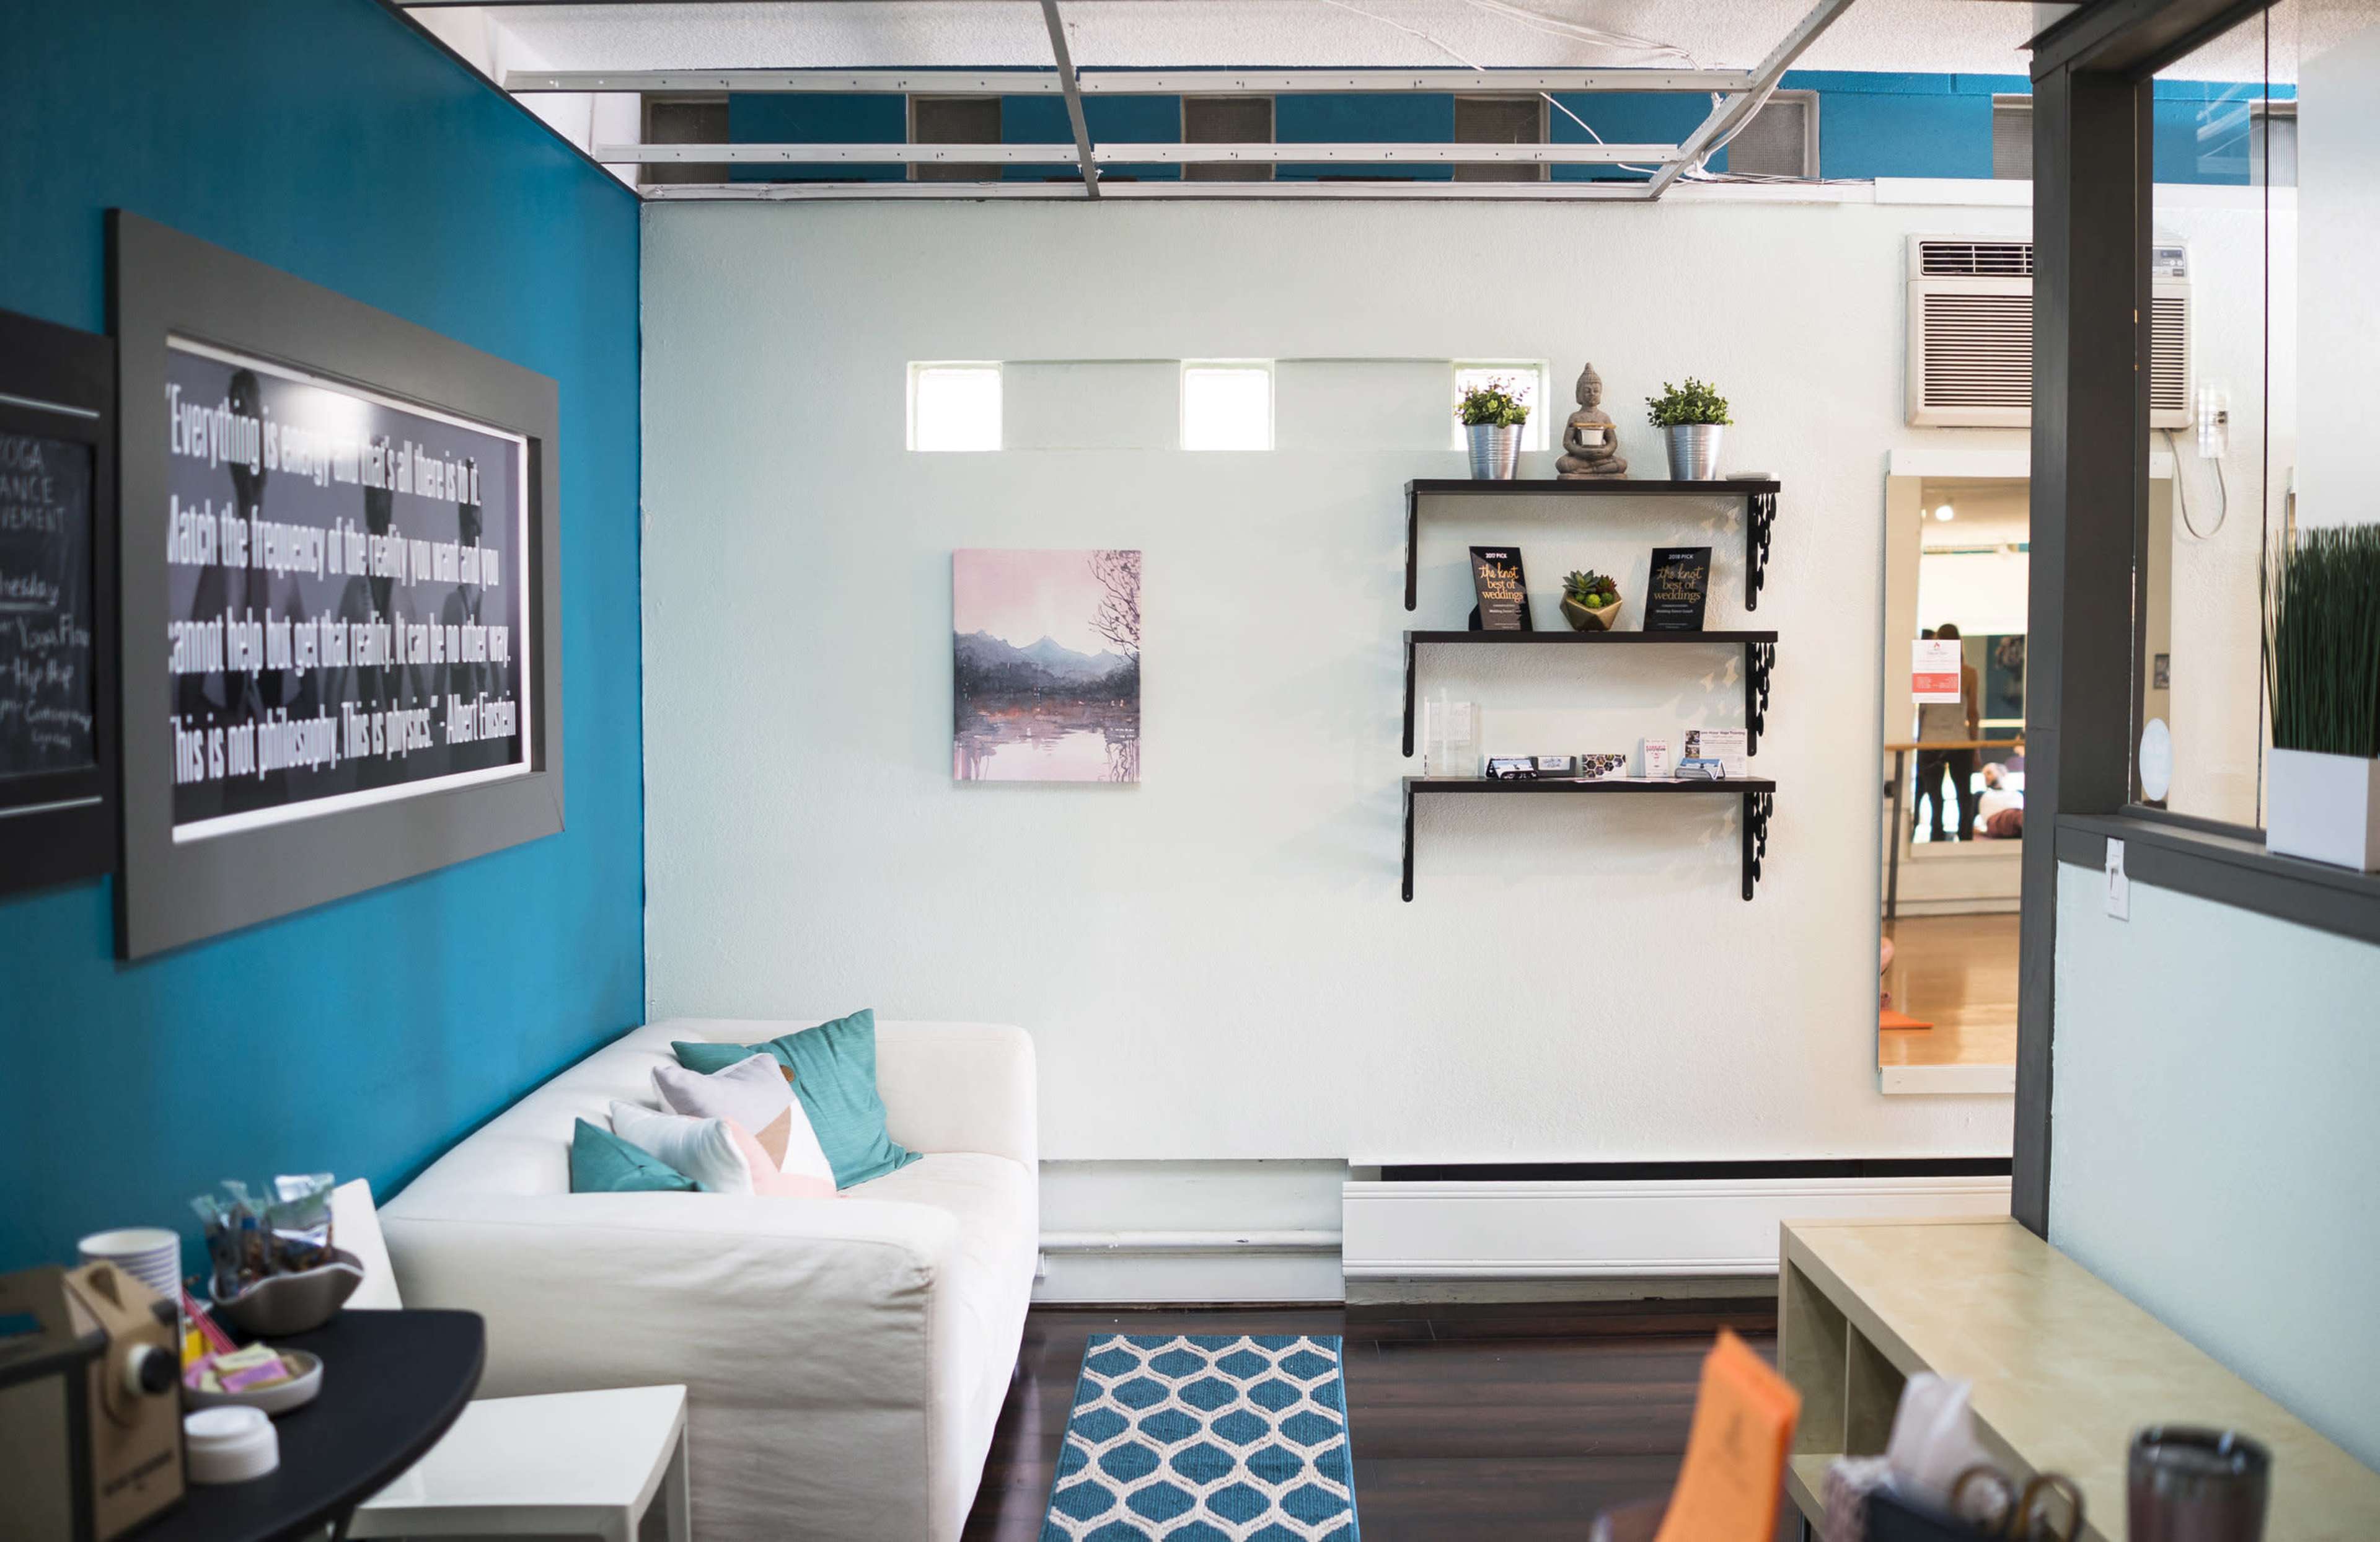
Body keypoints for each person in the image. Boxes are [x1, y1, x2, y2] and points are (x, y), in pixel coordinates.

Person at [1915, 622, 1980, 841]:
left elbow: (1922, 713)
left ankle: (1936, 837)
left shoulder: (1926, 671)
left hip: (1929, 742)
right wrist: (1976, 747)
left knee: (1935, 797)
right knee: (1964, 795)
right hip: (1959, 742)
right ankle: (1966, 838)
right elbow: (1972, 714)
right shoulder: (1969, 674)